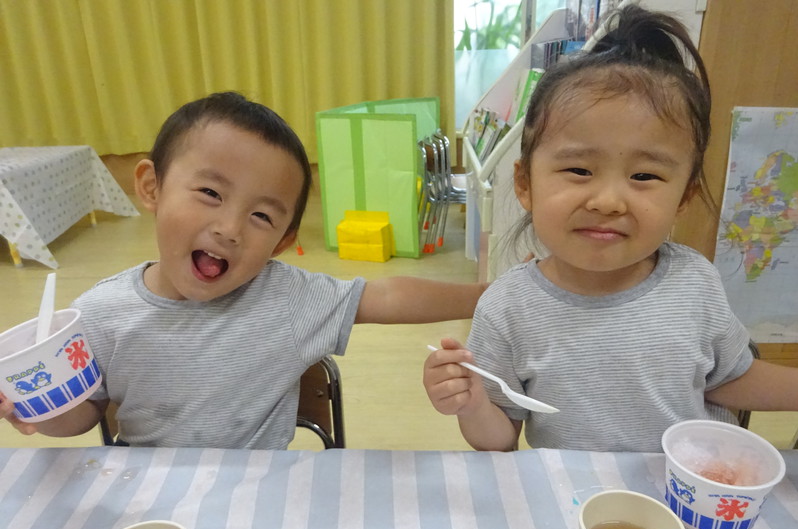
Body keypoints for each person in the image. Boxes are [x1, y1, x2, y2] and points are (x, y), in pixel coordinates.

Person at [0, 91, 486, 449]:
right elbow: (84, 415)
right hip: (150, 498)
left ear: (283, 242)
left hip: (258, 498)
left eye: (262, 216)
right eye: (210, 193)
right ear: (151, 187)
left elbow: (386, 297)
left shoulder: (286, 298)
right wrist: (36, 411)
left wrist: (487, 294)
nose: (230, 229)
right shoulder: (98, 314)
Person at [423, 6, 798, 453]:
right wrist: (470, 404)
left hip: (683, 484)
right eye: (579, 169)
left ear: (684, 196)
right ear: (525, 184)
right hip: (575, 490)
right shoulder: (507, 308)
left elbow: (728, 381)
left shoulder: (695, 282)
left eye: (644, 176)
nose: (608, 201)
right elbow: (500, 438)